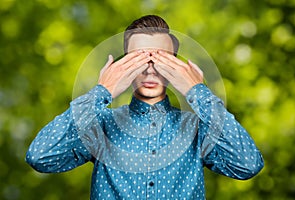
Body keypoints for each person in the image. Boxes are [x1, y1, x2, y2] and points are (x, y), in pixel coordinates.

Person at [26, 15, 264, 199]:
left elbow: (247, 164)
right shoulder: (101, 125)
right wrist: (101, 91)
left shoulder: (195, 128)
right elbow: (41, 156)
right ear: (123, 66)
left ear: (175, 68)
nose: (150, 69)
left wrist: (197, 91)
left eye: (160, 59)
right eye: (138, 59)